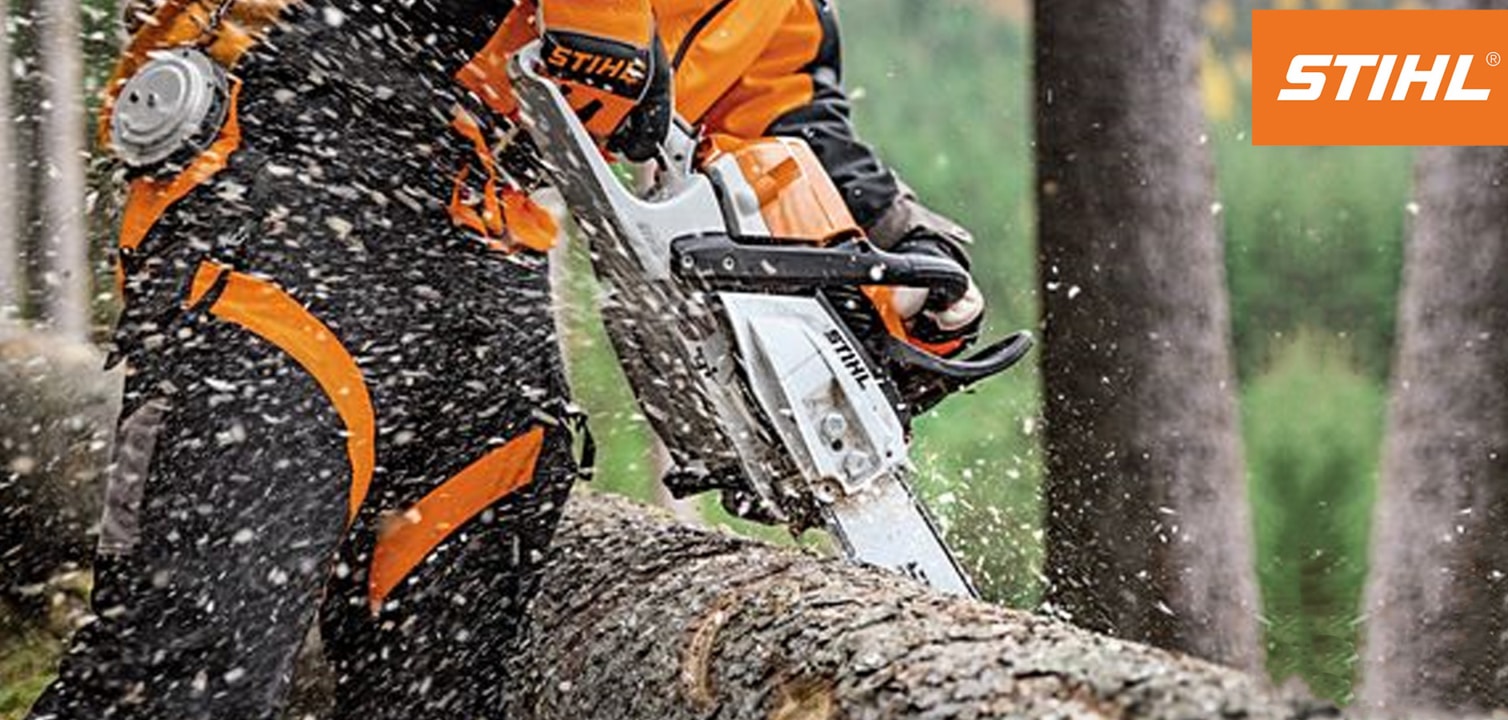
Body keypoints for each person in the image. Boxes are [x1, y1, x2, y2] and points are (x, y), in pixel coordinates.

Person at [28, 1, 983, 718]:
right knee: (192, 663)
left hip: (488, 228)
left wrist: (884, 252)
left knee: (442, 673)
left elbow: (771, 109)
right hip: (292, 162)